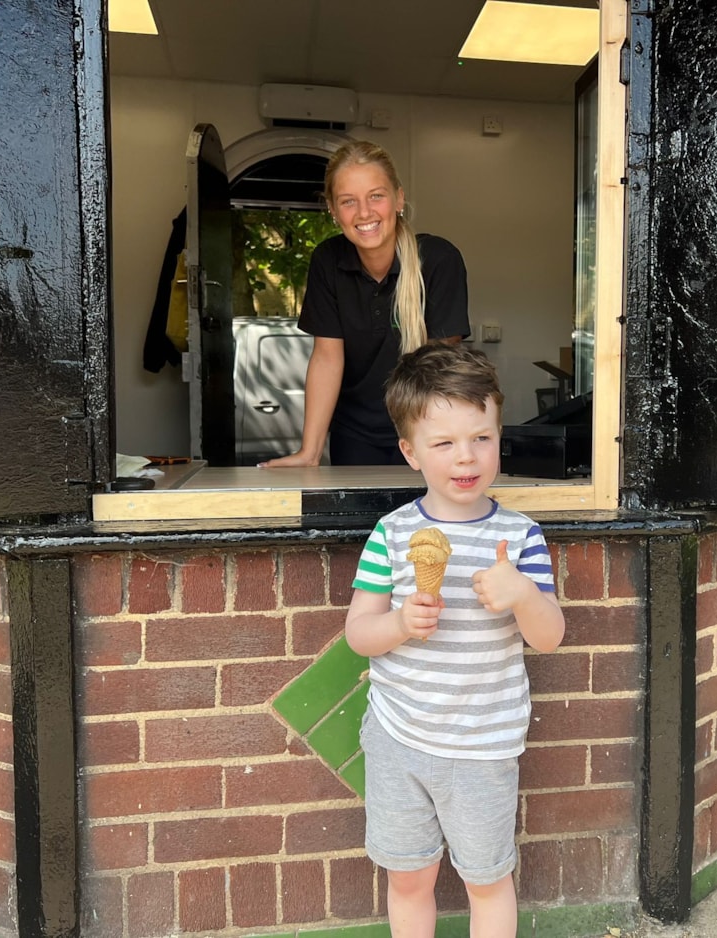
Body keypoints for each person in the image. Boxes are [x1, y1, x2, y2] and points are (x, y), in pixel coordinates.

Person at [345, 343, 566, 937]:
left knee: (486, 879)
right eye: (443, 443)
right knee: (409, 878)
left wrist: (521, 594)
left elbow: (549, 638)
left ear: (499, 435)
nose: (466, 457)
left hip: (483, 747)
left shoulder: (520, 537)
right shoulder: (391, 535)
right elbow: (358, 634)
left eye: (482, 438)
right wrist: (398, 625)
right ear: (410, 452)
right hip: (399, 740)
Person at [259, 141, 470, 467]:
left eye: (376, 196)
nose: (364, 213)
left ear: (398, 198)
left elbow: (438, 367)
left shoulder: (439, 260)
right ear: (331, 208)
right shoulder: (328, 261)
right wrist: (310, 452)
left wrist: (433, 445)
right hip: (354, 435)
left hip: (425, 431)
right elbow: (327, 359)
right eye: (348, 201)